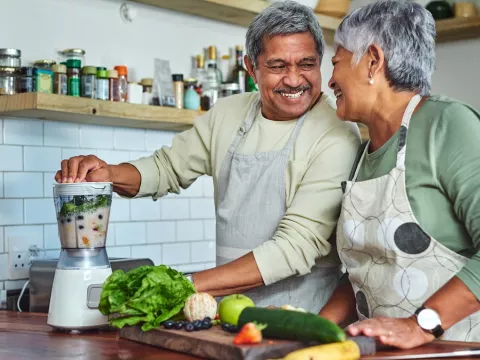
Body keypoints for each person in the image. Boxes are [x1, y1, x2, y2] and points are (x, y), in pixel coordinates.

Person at [55, 1, 360, 312]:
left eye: (306, 64)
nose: (294, 80)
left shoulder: (337, 135)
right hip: (225, 316)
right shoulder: (229, 114)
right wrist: (109, 173)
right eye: (278, 66)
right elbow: (167, 168)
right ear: (251, 68)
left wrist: (183, 285)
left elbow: (295, 247)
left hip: (301, 319)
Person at [317, 0, 480, 349]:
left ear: (373, 60)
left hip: (455, 351)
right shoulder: (362, 154)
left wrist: (421, 325)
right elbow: (371, 273)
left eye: (336, 63)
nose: (330, 80)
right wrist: (315, 327)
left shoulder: (449, 126)